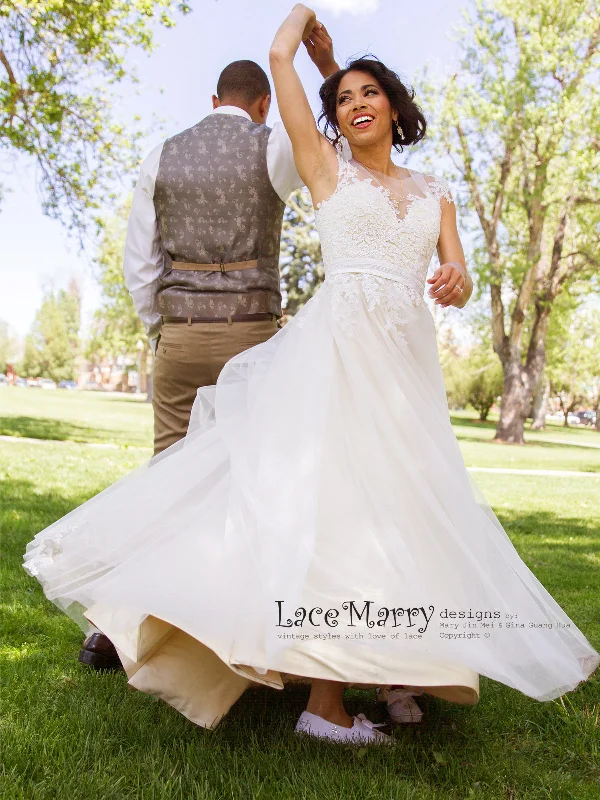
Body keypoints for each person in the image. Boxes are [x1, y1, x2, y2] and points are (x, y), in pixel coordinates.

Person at [23, 5, 599, 747]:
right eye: (344, 100)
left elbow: (454, 266)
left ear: (395, 106)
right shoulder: (327, 170)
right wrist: (306, 27)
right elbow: (278, 55)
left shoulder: (436, 193)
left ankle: (396, 668)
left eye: (370, 94)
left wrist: (455, 278)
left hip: (405, 365)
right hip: (336, 355)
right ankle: (322, 702)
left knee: (400, 507)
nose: (355, 105)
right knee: (336, 505)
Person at [78, 49, 342, 672]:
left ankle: (111, 632)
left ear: (212, 100)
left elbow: (138, 264)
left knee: (165, 480)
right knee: (250, 482)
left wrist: (163, 329)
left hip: (180, 338)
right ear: (262, 105)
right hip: (250, 336)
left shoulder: (162, 154)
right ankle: (233, 635)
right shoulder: (272, 146)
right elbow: (332, 150)